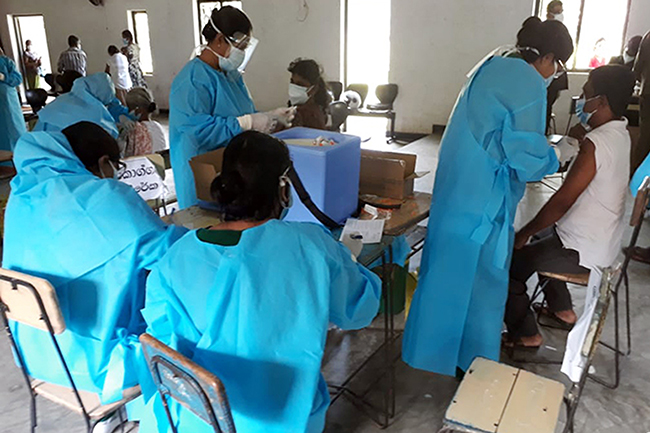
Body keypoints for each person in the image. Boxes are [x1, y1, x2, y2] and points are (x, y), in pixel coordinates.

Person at [137, 131, 381, 433]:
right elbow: (358, 311)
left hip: (199, 417)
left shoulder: (175, 258)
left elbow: (162, 347)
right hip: (288, 417)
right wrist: (349, 262)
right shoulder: (313, 246)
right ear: (283, 188)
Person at [402, 18, 573, 377]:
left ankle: (433, 353)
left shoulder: (492, 62)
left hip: (457, 189)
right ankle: (473, 363)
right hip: (483, 200)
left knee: (448, 272)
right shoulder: (526, 81)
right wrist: (557, 156)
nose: (554, 74)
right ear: (549, 57)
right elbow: (526, 159)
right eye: (557, 66)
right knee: (482, 282)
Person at [3, 121, 187, 403]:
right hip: (100, 367)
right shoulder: (108, 196)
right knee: (186, 309)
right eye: (117, 166)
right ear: (104, 162)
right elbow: (168, 254)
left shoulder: (23, 192)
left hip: (36, 353)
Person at [505, 65, 635, 347]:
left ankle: (526, 334)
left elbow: (563, 200)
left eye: (585, 94)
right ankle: (561, 310)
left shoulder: (596, 142)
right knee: (545, 236)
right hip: (603, 242)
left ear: (601, 102)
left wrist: (523, 233)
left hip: (583, 249)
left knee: (512, 263)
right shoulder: (620, 133)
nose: (580, 100)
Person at [169, 6, 295, 209]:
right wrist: (247, 123)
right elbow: (196, 130)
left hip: (233, 170)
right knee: (208, 228)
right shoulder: (192, 80)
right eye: (241, 47)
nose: (243, 53)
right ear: (219, 40)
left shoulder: (232, 76)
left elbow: (243, 112)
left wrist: (268, 117)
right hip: (203, 171)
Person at [35, 73, 131, 139]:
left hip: (33, 150)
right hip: (62, 159)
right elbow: (109, 138)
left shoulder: (63, 99)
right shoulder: (94, 112)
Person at [122, 87, 168, 156]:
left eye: (129, 109)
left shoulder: (135, 129)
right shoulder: (157, 126)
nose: (128, 112)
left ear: (138, 110)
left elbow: (128, 155)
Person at [288, 58, 331, 130]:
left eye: (300, 84)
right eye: (292, 82)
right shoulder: (297, 109)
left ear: (313, 89)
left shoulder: (310, 114)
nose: (294, 87)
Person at [0, 47, 27, 152]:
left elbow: (17, 78)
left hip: (8, 100)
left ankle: (18, 151)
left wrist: (4, 77)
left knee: (12, 125)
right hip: (6, 98)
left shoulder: (6, 62)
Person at [632, 31, 650, 173]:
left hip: (648, 92)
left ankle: (637, 177)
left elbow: (637, 69)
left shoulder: (648, 36)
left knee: (645, 137)